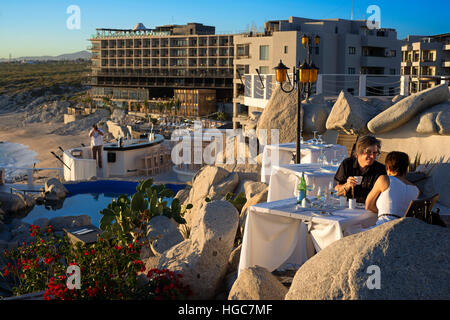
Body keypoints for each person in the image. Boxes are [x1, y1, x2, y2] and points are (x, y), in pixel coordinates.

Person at [365, 151, 419, 227]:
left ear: (388, 168)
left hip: (382, 227)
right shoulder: (415, 189)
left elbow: (368, 205)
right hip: (401, 228)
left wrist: (383, 211)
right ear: (406, 169)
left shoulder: (384, 180)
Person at [334, 135, 387, 203]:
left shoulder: (380, 169)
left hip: (369, 209)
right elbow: (336, 191)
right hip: (348, 206)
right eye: (369, 152)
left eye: (375, 153)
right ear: (359, 152)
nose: (372, 156)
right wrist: (347, 185)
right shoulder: (347, 164)